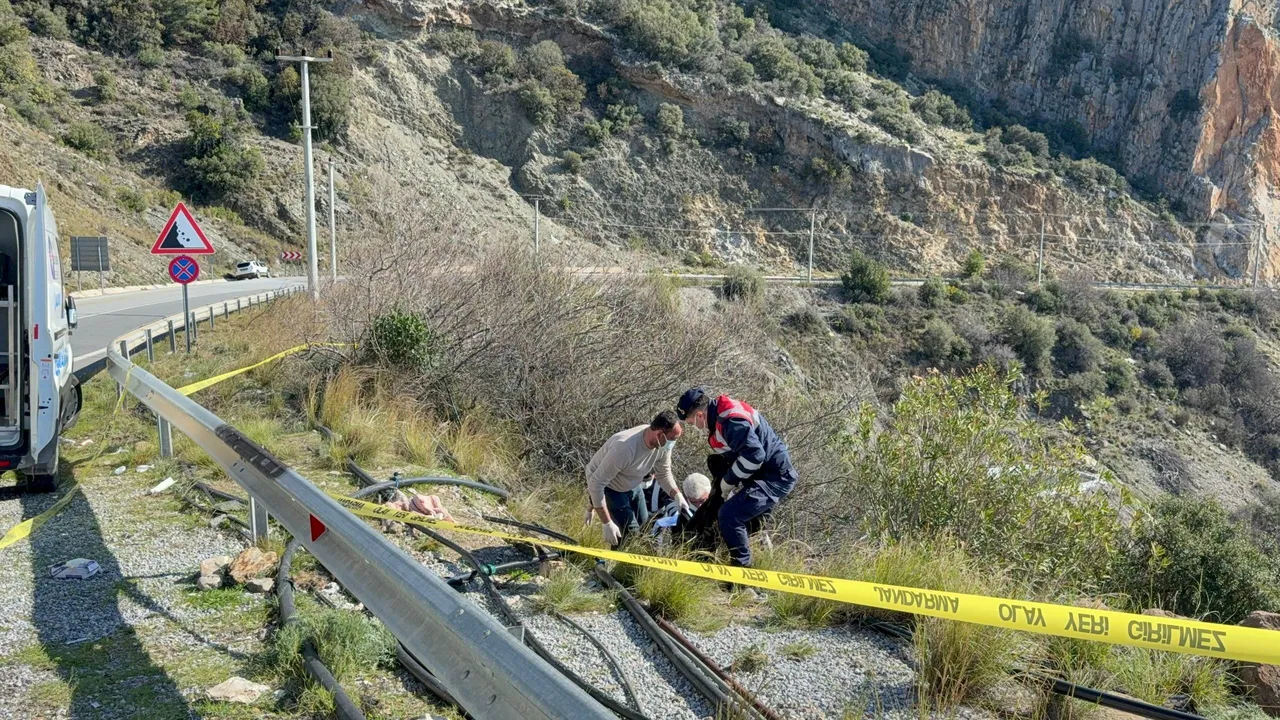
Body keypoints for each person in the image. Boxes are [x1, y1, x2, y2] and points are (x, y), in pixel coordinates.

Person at [675, 388, 797, 567]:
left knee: (730, 515)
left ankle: (741, 573)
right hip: (762, 475)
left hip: (775, 477)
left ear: (700, 415)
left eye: (692, 422)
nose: (694, 427)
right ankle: (737, 567)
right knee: (742, 525)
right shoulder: (719, 416)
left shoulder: (730, 421)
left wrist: (727, 482)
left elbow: (755, 456)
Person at [586, 410, 691, 546]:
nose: (673, 444)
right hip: (610, 487)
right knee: (628, 534)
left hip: (633, 483)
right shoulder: (625, 447)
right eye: (672, 439)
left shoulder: (663, 445)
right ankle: (616, 565)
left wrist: (677, 495)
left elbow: (663, 474)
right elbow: (596, 483)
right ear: (659, 434)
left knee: (645, 527)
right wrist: (607, 522)